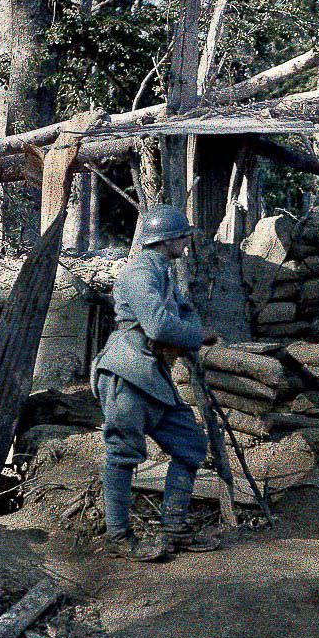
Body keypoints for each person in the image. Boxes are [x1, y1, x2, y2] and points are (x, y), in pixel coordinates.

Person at [90, 205, 219, 561]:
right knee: (123, 453)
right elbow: (160, 326)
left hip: (151, 374)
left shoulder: (163, 273)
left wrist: (190, 327)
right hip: (127, 373)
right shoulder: (139, 273)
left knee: (190, 444)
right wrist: (193, 334)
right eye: (183, 236)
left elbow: (183, 312)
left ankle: (175, 528)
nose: (187, 242)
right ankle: (118, 536)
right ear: (167, 239)